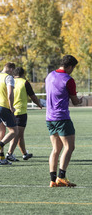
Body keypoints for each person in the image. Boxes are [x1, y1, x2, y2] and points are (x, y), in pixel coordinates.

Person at [46, 55, 82, 187]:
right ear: (70, 66)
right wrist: (80, 100)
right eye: (73, 68)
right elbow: (75, 100)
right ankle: (61, 177)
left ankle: (52, 179)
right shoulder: (68, 80)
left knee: (56, 149)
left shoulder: (49, 75)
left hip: (49, 117)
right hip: (62, 117)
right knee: (69, 147)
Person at [6, 67, 43, 161]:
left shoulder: (10, 81)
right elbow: (32, 96)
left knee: (19, 134)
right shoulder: (24, 82)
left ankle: (24, 154)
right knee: (16, 134)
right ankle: (9, 153)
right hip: (20, 112)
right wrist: (39, 104)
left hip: (9, 110)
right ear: (23, 74)